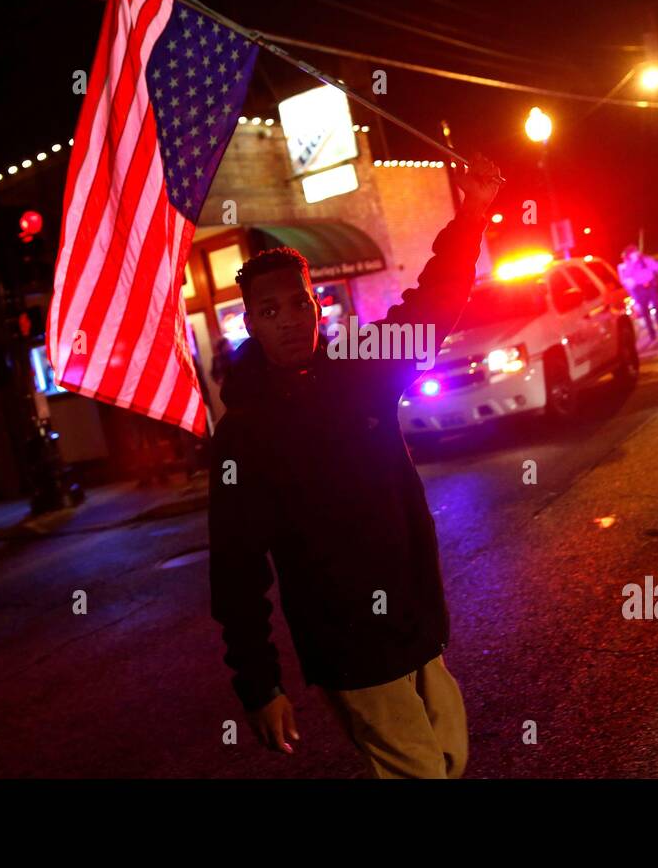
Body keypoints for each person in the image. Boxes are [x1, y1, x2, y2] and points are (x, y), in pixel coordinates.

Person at [207, 153, 503, 778]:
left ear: (317, 304)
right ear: (251, 325)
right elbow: (236, 567)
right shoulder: (244, 433)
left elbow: (432, 304)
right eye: (270, 310)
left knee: (450, 761)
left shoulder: (362, 370)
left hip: (418, 622)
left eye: (298, 302)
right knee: (422, 774)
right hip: (347, 642)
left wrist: (473, 213)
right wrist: (258, 685)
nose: (290, 319)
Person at [618, 243, 658, 342]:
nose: (635, 254)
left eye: (636, 251)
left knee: (657, 309)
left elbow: (656, 267)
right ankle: (652, 333)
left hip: (651, 287)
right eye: (633, 253)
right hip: (640, 290)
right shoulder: (628, 265)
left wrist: (648, 262)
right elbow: (627, 277)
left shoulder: (645, 260)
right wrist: (631, 263)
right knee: (645, 312)